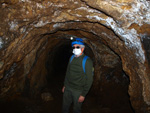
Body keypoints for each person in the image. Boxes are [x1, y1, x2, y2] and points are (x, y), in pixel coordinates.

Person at [62, 37, 93, 113]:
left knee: (76, 110)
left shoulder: (87, 61)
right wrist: (65, 85)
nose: (75, 48)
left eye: (77, 47)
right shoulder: (71, 58)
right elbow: (68, 72)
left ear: (82, 48)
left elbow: (89, 79)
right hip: (68, 88)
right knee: (64, 107)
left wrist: (83, 94)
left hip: (78, 90)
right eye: (74, 47)